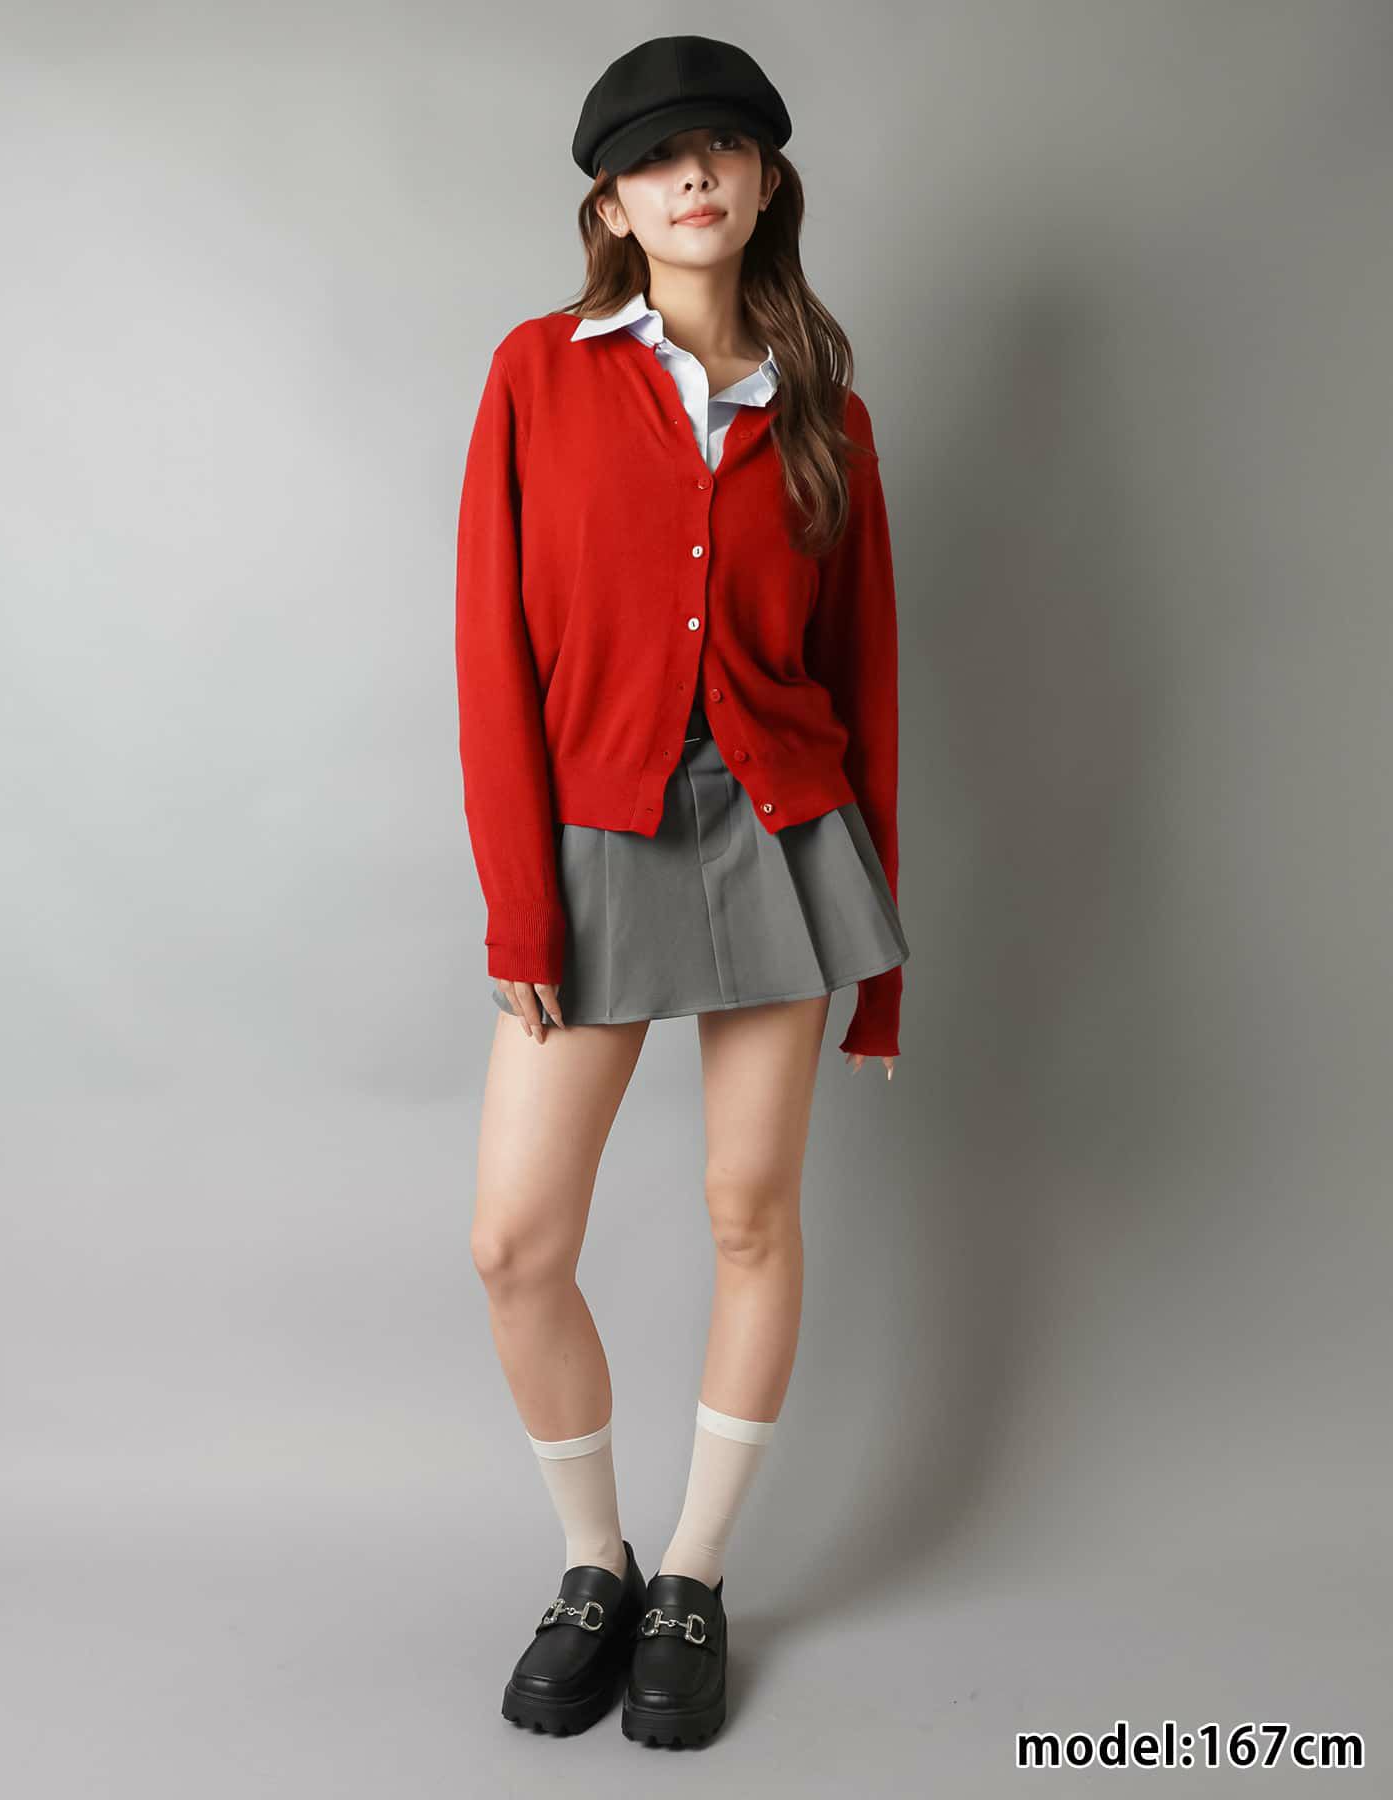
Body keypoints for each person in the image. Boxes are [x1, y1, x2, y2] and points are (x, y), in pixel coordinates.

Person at [454, 34, 911, 1749]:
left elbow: (868, 692)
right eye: (656, 157)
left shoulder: (830, 417)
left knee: (747, 1213)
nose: (693, 174)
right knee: (515, 1244)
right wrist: (521, 908)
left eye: (721, 147)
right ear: (611, 205)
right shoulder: (536, 374)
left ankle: (695, 1578)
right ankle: (598, 1564)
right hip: (593, 835)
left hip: (786, 839)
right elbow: (490, 657)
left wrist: (882, 972)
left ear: (767, 181)